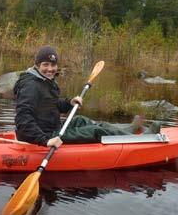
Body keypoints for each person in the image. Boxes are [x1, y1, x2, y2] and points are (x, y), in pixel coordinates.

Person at [13, 45, 159, 147]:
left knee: (81, 120)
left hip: (51, 128)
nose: (50, 69)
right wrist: (45, 141)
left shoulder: (44, 80)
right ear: (37, 65)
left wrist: (69, 102)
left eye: (53, 65)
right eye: (46, 64)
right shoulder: (31, 85)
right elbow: (23, 119)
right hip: (40, 136)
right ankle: (141, 140)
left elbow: (51, 105)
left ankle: (128, 129)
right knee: (95, 131)